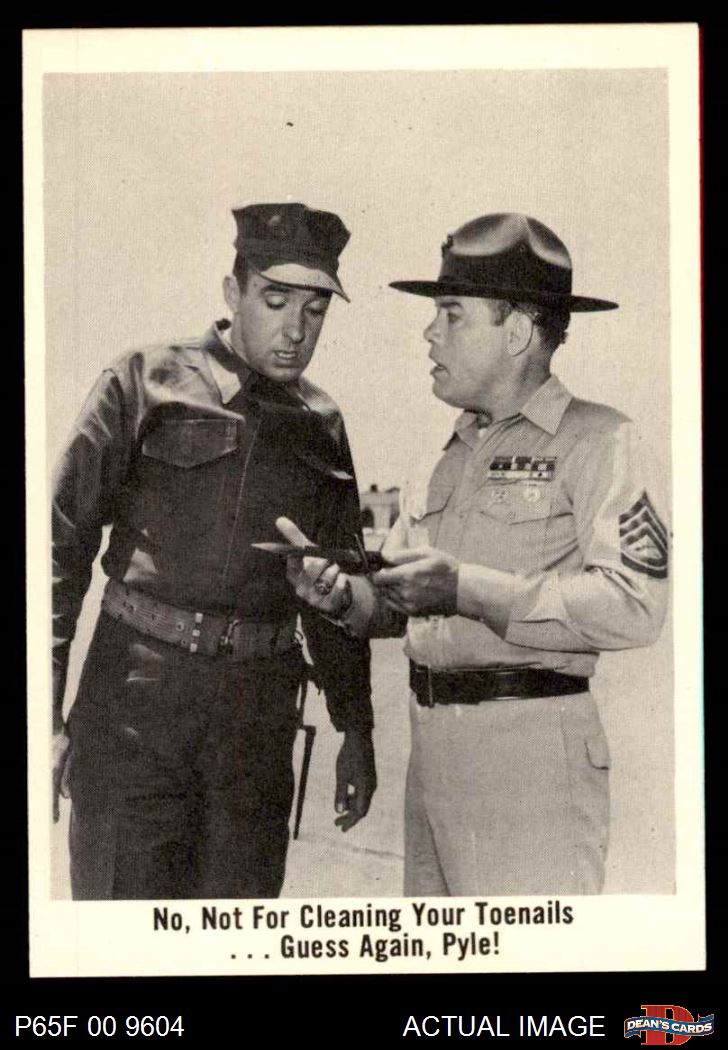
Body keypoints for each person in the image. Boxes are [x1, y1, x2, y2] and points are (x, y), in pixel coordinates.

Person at [278, 211, 669, 897]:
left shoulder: (601, 442)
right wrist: (342, 599)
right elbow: (401, 605)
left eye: (451, 314)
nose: (430, 333)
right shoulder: (447, 455)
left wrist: (465, 587)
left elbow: (635, 606)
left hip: (531, 768)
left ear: (516, 333)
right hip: (432, 757)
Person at [52, 202, 376, 900]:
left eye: (316, 309)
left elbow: (335, 588)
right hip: (135, 711)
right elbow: (58, 549)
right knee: (121, 935)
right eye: (275, 300)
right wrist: (41, 712)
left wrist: (356, 729)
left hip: (256, 729)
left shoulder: (322, 425)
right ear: (233, 292)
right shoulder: (142, 380)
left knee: (235, 939)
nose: (296, 329)